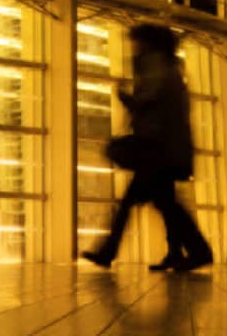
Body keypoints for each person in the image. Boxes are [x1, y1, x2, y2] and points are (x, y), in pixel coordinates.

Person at [82, 24, 213, 272]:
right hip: (165, 149)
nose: (134, 47)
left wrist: (126, 98)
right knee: (165, 204)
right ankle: (188, 251)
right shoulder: (170, 69)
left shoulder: (157, 67)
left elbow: (148, 104)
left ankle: (197, 250)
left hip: (157, 150)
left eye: (137, 42)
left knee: (145, 203)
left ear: (149, 43)